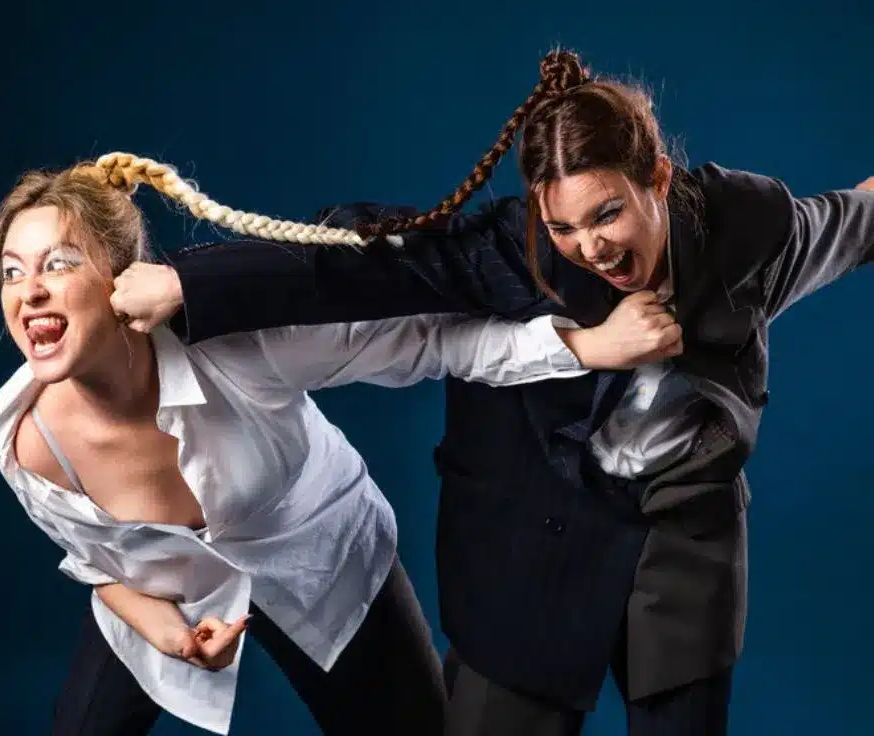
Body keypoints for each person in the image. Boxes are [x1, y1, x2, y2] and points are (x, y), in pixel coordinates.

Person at [109, 50, 874, 735]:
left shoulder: (747, 227)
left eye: (607, 213)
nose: (592, 246)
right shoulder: (518, 248)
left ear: (658, 182)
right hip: (532, 541)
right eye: (567, 226)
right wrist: (189, 282)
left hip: (683, 541)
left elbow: (851, 220)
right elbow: (370, 269)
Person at [0, 155, 667, 736]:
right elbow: (99, 565)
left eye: (58, 264)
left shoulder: (237, 349)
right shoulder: (29, 443)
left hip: (326, 564)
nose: (29, 292)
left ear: (121, 278)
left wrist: (587, 345)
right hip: (168, 589)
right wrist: (170, 636)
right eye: (12, 271)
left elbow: (428, 338)